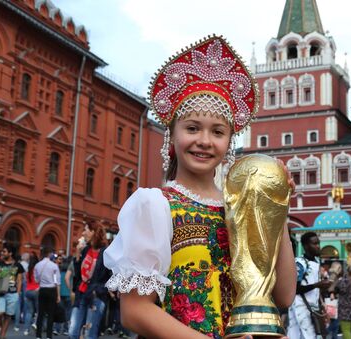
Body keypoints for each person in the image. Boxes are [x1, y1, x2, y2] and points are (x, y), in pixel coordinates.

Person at [104, 35, 296, 338]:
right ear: (172, 134)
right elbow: (135, 311)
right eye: (192, 128)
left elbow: (283, 296)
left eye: (217, 132)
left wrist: (276, 209)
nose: (204, 141)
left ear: (229, 142)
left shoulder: (241, 207)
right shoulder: (156, 205)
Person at [68, 221, 110, 339]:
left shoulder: (106, 252)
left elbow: (111, 275)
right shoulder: (86, 250)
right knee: (73, 332)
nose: (83, 233)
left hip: (96, 296)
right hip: (81, 293)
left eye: (86, 230)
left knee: (89, 334)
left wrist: (100, 290)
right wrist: (77, 254)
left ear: (93, 232)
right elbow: (78, 274)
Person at [288, 232, 331, 338]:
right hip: (300, 306)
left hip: (313, 308)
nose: (318, 246)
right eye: (314, 243)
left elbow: (316, 290)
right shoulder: (300, 263)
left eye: (318, 243)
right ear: (306, 246)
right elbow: (295, 289)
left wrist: (322, 303)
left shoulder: (316, 262)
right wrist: (316, 285)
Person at [0, 245, 24, 339]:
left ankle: (2, 336)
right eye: (2, 251)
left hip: (13, 294)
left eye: (4, 251)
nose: (2, 253)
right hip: (0, 293)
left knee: (8, 316)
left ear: (10, 253)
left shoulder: (18, 265)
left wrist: (17, 293)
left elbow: (19, 280)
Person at [34, 247, 60, 339]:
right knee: (50, 313)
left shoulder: (37, 265)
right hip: (52, 290)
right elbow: (57, 281)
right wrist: (58, 295)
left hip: (42, 289)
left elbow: (36, 279)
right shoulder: (54, 266)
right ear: (49, 254)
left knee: (40, 313)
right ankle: (49, 336)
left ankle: (38, 335)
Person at [54, 254, 71, 336]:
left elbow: (58, 284)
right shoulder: (71, 272)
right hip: (68, 294)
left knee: (59, 311)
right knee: (68, 312)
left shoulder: (59, 272)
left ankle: (56, 329)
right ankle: (65, 329)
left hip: (60, 294)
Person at [23, 255, 39, 336]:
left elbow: (26, 281)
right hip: (36, 291)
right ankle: (35, 323)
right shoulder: (37, 269)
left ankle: (26, 330)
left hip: (28, 291)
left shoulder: (28, 270)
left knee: (29, 312)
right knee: (39, 310)